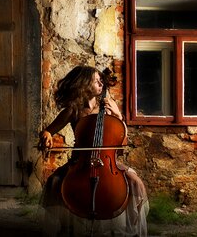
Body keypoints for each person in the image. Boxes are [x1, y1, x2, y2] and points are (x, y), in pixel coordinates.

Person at [38, 65, 149, 236]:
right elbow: (49, 130)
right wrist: (46, 136)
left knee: (135, 182)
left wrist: (118, 116)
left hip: (108, 163)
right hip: (79, 162)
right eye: (96, 80)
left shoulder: (108, 105)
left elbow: (123, 138)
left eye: (101, 80)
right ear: (83, 84)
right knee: (54, 182)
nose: (101, 83)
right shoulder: (73, 110)